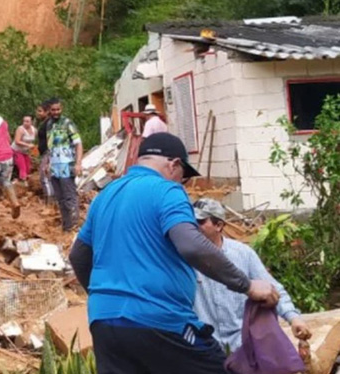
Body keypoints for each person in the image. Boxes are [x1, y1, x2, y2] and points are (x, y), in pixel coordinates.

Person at [68, 132, 280, 374]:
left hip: (105, 324)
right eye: (184, 178)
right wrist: (247, 286)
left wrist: (107, 299)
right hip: (160, 322)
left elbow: (78, 256)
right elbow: (190, 244)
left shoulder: (105, 196)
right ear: (174, 164)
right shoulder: (167, 191)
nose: (182, 183)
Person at [192, 198, 311, 353]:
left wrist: (293, 318)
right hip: (205, 348)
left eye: (200, 221)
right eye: (191, 221)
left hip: (242, 346)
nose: (194, 226)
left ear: (219, 225)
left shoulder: (243, 254)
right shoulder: (185, 258)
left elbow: (272, 288)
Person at [45, 98, 83, 232]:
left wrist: (78, 163)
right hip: (55, 168)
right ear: (49, 110)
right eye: (53, 110)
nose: (56, 112)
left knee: (69, 197)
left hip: (67, 165)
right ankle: (66, 226)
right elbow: (51, 147)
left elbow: (78, 143)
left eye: (58, 109)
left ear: (61, 109)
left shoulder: (67, 123)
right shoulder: (49, 124)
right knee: (60, 199)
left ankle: (74, 227)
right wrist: (47, 164)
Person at [36, 100, 54, 203]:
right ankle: (50, 200)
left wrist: (50, 157)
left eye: (40, 111)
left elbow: (52, 139)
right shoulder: (46, 123)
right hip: (45, 152)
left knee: (45, 177)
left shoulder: (49, 123)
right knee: (47, 177)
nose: (38, 113)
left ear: (47, 112)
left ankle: (50, 201)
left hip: (48, 153)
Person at [11, 115, 36, 185]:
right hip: (17, 150)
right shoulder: (20, 129)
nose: (25, 123)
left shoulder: (34, 130)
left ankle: (23, 181)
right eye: (24, 121)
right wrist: (28, 145)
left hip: (25, 151)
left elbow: (32, 141)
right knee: (22, 167)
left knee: (28, 167)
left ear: (31, 122)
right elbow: (17, 141)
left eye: (27, 121)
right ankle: (23, 183)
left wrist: (33, 149)